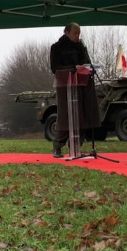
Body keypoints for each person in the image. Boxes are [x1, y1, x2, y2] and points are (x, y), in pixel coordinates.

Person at [49, 22, 101, 158]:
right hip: (65, 87)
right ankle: (57, 147)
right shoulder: (57, 47)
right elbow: (54, 67)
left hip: (82, 87)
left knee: (82, 117)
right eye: (75, 33)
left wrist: (88, 69)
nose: (78, 36)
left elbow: (86, 63)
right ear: (66, 32)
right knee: (66, 118)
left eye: (79, 33)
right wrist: (71, 69)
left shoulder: (81, 47)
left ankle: (76, 147)